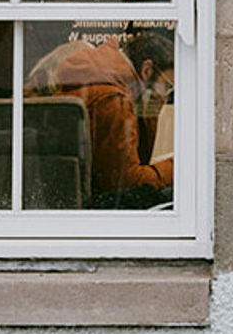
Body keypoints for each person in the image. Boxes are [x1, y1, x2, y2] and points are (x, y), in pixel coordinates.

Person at [26, 28, 176, 205]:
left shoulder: (95, 80)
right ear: (147, 71)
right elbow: (126, 184)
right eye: (166, 86)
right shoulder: (113, 101)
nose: (164, 96)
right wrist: (177, 168)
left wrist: (149, 112)